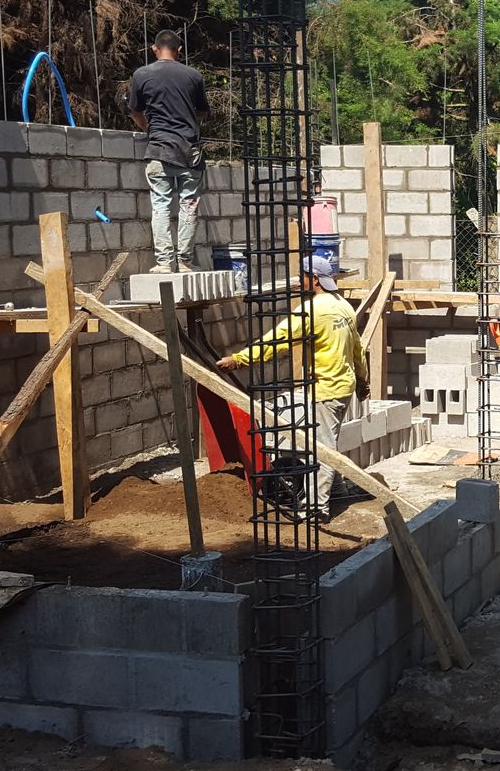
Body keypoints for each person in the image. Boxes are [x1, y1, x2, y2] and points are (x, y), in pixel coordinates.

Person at [217, 256, 367, 521]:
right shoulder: (343, 306)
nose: (299, 281)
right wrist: (363, 382)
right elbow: (358, 350)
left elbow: (277, 339)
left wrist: (239, 359)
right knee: (327, 440)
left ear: (315, 279)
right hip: (343, 386)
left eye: (303, 276)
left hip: (326, 389)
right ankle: (339, 490)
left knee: (321, 449)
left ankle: (316, 509)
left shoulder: (312, 311)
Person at [129, 30, 209, 273]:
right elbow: (203, 112)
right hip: (189, 151)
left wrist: (150, 129)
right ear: (180, 50)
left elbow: (135, 112)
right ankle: (185, 262)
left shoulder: (141, 75)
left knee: (161, 206)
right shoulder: (193, 76)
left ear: (154, 49)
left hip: (158, 150)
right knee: (189, 205)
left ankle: (164, 263)